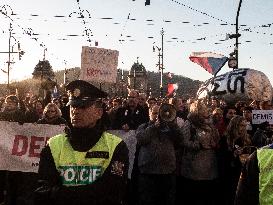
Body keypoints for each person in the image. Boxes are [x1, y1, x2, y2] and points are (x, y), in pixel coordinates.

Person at [35, 80, 129, 205]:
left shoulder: (116, 146)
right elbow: (43, 191)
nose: (76, 111)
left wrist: (62, 194)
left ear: (99, 112)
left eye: (83, 106)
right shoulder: (53, 145)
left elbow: (113, 192)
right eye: (73, 106)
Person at [136, 103, 182, 205]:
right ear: (149, 114)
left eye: (160, 113)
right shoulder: (143, 127)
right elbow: (141, 140)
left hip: (167, 172)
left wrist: (173, 125)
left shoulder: (170, 128)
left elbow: (180, 140)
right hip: (148, 172)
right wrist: (153, 127)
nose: (158, 116)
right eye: (155, 113)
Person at [177, 100, 220, 205]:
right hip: (194, 165)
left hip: (209, 165)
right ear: (197, 110)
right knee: (194, 195)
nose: (206, 110)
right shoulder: (190, 123)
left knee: (207, 195)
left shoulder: (210, 123)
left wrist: (214, 141)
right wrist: (197, 145)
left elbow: (216, 138)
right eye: (203, 108)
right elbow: (184, 141)